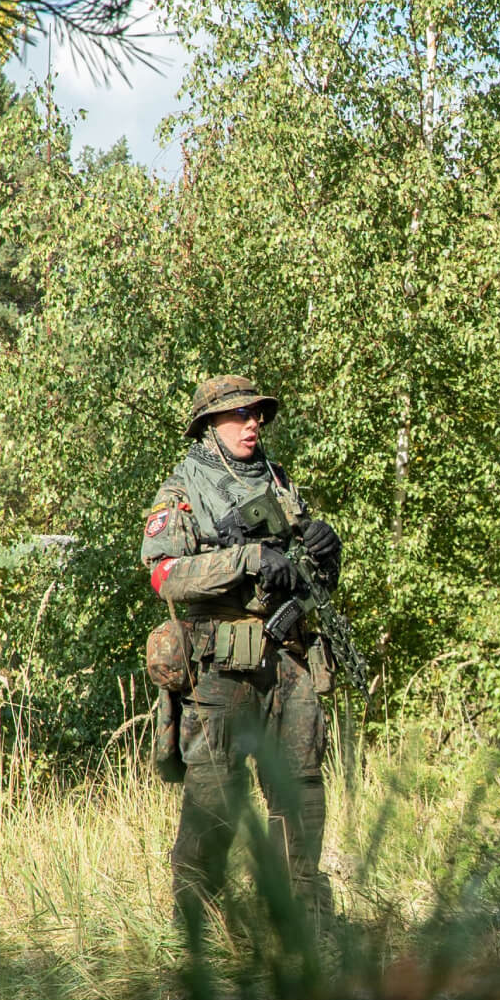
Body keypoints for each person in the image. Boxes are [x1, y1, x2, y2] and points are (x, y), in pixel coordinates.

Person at [139, 375, 344, 919]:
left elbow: (310, 576)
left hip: (289, 660)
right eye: (239, 415)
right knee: (215, 798)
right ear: (209, 425)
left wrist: (326, 549)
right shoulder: (182, 489)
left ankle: (298, 922)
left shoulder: (277, 481)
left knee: (301, 792)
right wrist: (244, 559)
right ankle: (197, 937)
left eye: (257, 414)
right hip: (221, 669)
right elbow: (164, 575)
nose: (252, 423)